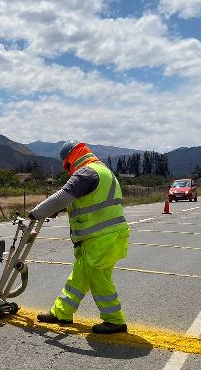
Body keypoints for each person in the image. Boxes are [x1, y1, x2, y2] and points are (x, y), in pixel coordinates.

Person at [29, 140, 130, 334]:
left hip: (101, 238)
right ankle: (61, 312)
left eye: (67, 165)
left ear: (71, 158)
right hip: (103, 238)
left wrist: (37, 213)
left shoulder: (86, 172)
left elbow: (62, 196)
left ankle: (115, 320)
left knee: (98, 279)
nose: (68, 170)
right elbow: (87, 201)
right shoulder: (103, 171)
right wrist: (58, 210)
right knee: (78, 279)